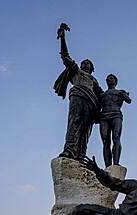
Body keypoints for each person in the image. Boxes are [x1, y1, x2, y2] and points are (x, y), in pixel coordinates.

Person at [53, 23, 104, 160]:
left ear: (92, 68)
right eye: (84, 62)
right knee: (74, 123)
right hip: (78, 96)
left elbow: (102, 95)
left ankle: (81, 155)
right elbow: (65, 56)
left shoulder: (93, 80)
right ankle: (69, 150)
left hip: (92, 104)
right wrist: (63, 37)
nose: (86, 64)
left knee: (86, 130)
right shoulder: (76, 71)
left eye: (89, 63)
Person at [99, 74, 131, 166]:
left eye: (111, 78)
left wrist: (123, 94)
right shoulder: (103, 95)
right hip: (104, 116)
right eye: (108, 79)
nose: (109, 80)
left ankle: (116, 163)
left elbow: (129, 100)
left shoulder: (120, 92)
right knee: (105, 140)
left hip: (116, 114)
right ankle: (108, 166)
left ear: (115, 81)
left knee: (116, 137)